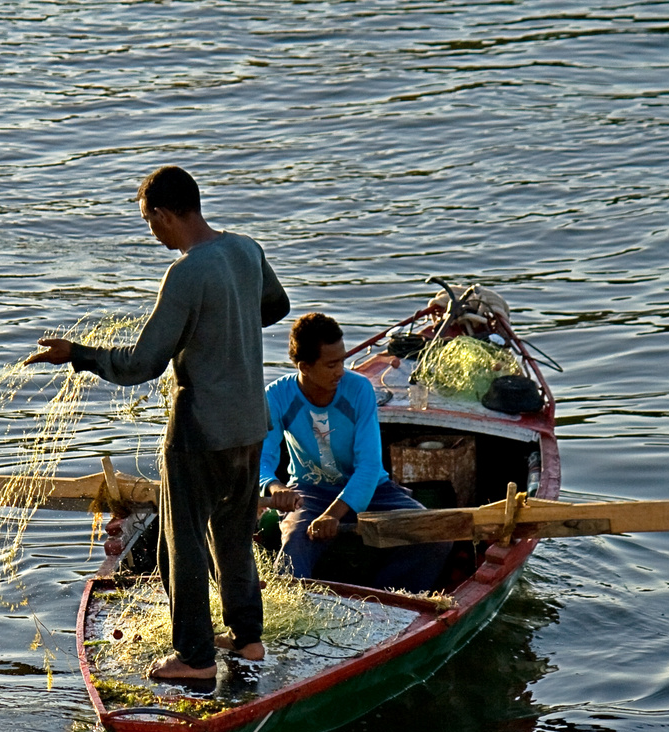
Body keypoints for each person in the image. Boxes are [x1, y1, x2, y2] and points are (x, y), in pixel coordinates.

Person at [28, 166, 290, 683]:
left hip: (200, 432)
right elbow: (276, 305)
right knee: (234, 536)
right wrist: (227, 325)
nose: (153, 233)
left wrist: (75, 354)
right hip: (249, 424)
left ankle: (193, 657)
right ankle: (247, 638)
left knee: (183, 541)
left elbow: (142, 364)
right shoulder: (245, 249)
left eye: (150, 222)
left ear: (165, 214)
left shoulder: (186, 273)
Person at [260, 312, 450, 591]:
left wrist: (333, 515)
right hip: (309, 491)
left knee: (436, 535)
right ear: (305, 367)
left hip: (374, 489)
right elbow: (260, 460)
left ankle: (386, 601)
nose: (341, 371)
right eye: (332, 364)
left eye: (343, 361)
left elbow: (370, 467)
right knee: (293, 545)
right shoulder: (276, 396)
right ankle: (291, 611)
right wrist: (275, 488)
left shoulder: (359, 388)